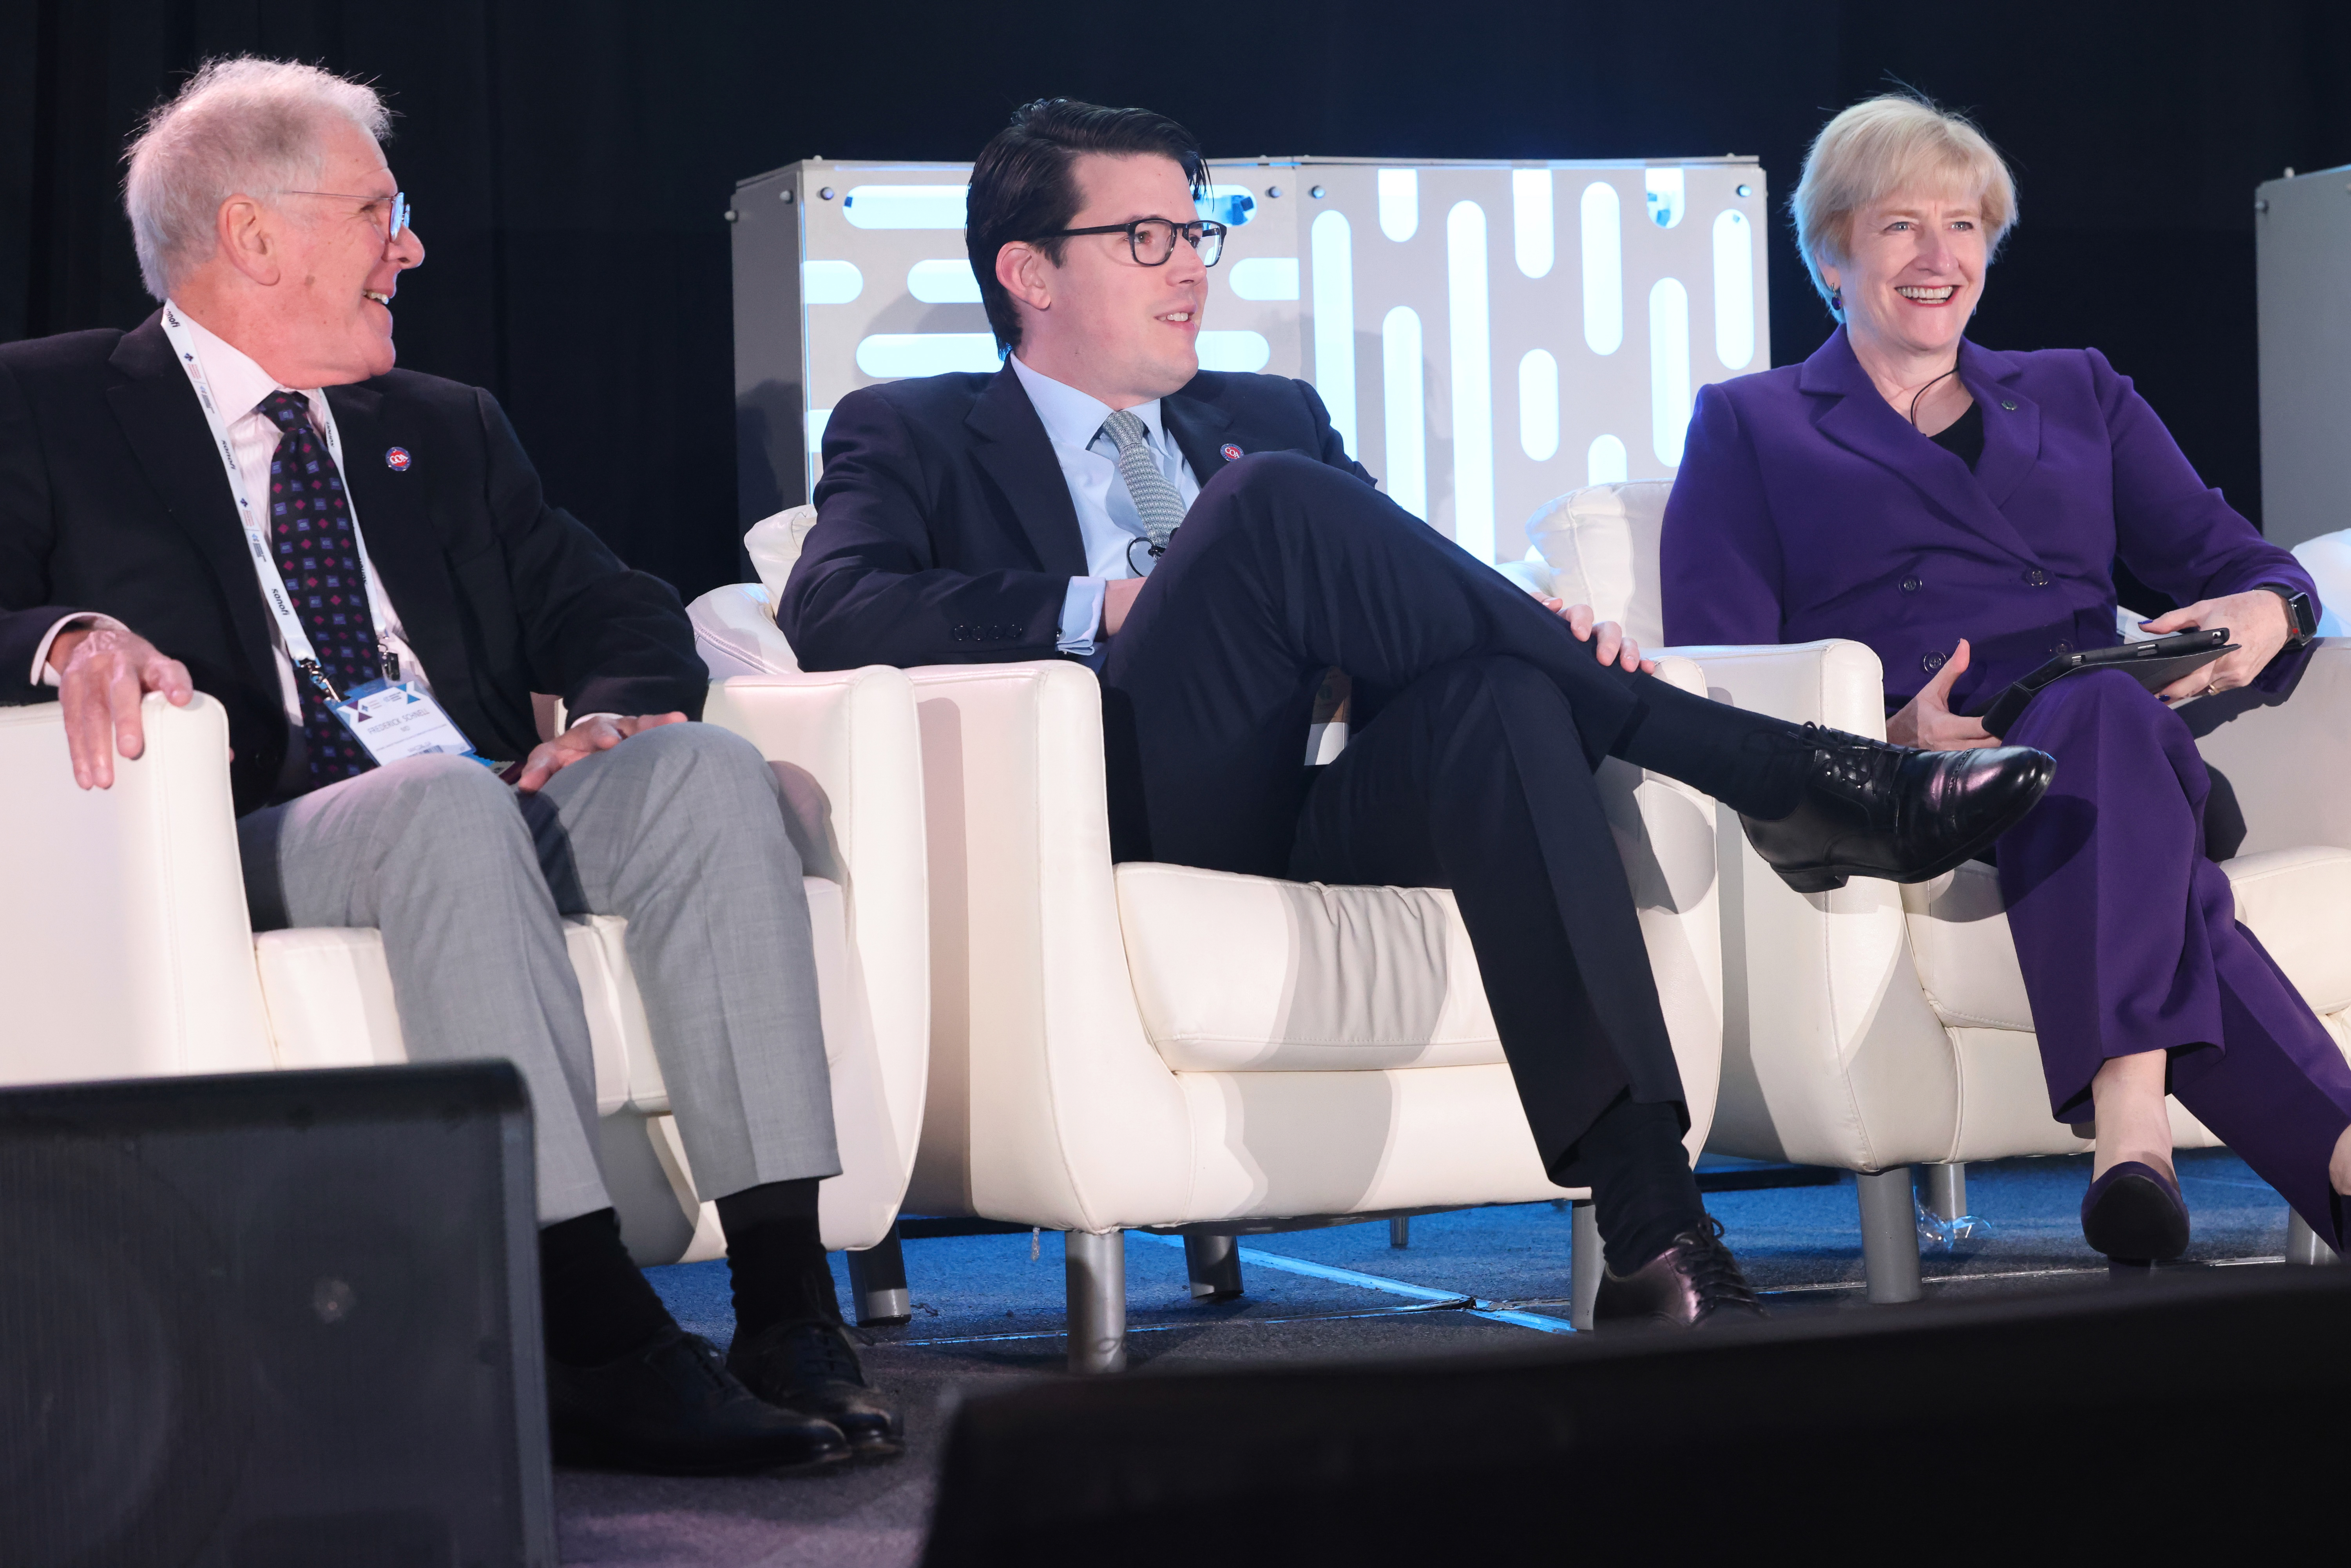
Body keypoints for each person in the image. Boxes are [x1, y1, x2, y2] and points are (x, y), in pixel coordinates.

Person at [781, 98, 2057, 1327]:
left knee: (1501, 691)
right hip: (1128, 790)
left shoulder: (1265, 408)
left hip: (1318, 793)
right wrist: (1099, 603)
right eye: (1147, 238)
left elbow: (1385, 593)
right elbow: (836, 609)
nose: (1191, 269)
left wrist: (1545, 631)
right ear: (1030, 272)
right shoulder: (915, 427)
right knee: (1270, 505)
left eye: (1198, 230)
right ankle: (1783, 779)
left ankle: (1657, 1225)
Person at [0, 58, 899, 1470]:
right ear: (253, 234)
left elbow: (614, 605)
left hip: (476, 795)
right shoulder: (47, 405)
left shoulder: (446, 425)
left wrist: (612, 709)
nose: (408, 245)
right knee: (443, 801)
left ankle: (786, 1303)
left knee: (710, 777)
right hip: (256, 823)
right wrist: (67, 633)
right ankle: (588, 1328)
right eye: (378, 209)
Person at [1661, 93, 2351, 1264]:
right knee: (2132, 802)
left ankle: (2132, 1120)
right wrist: (1888, 733)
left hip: (2110, 740)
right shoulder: (1752, 424)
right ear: (1830, 252)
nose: (1941, 258)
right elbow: (1715, 682)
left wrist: (2266, 612)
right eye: (1899, 228)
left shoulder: (2079, 390)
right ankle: (2316, 1156)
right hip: (1921, 794)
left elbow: (2245, 561)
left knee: (2096, 708)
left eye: (1965, 224)